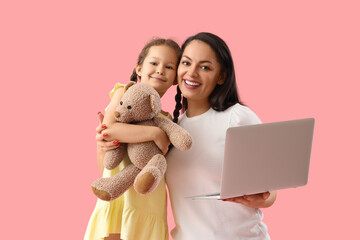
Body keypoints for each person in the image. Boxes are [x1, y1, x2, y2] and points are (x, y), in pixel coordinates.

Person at [165, 32, 277, 240]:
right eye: (186, 63)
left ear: (222, 76)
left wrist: (259, 198)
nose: (192, 73)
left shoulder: (237, 118)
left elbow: (270, 192)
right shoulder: (173, 131)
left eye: (205, 67)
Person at [84, 38, 181, 240]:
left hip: (149, 205)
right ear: (139, 69)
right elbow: (110, 130)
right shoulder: (123, 92)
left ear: (175, 79)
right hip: (120, 201)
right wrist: (154, 133)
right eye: (154, 63)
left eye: (169, 66)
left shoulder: (167, 120)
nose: (160, 70)